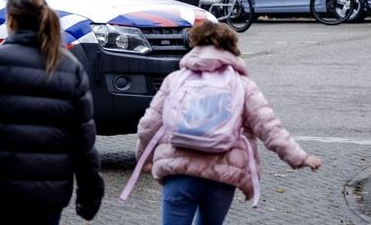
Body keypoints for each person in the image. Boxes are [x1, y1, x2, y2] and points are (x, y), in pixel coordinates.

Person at [0, 0, 104, 225]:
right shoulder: (69, 67)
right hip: (49, 192)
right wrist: (90, 194)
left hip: (3, 187)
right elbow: (83, 140)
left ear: (11, 20)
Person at [134, 21, 322, 225]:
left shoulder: (175, 79)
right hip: (222, 176)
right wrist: (299, 157)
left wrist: (145, 159)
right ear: (232, 48)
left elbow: (149, 125)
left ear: (195, 44)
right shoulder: (242, 85)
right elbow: (269, 127)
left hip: (178, 173)